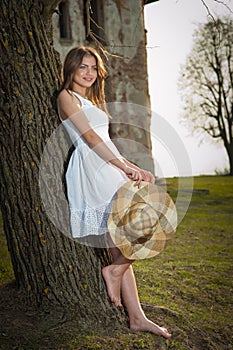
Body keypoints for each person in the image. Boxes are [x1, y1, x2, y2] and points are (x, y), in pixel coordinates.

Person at [57, 46, 171, 339]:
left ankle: (136, 317)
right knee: (145, 222)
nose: (89, 73)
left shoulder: (91, 100)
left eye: (94, 68)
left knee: (124, 240)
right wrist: (122, 166)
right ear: (70, 68)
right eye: (83, 67)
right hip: (93, 169)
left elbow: (106, 139)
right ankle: (116, 273)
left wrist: (131, 167)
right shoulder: (66, 97)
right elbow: (91, 137)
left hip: (109, 164)